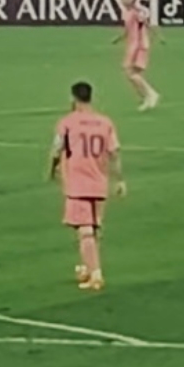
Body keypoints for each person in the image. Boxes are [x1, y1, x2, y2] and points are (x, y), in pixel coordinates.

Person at [48, 82, 126, 291]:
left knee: (84, 231)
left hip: (77, 183)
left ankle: (96, 274)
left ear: (73, 98)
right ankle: (86, 266)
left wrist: (52, 168)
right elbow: (114, 153)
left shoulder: (67, 122)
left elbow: (57, 149)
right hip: (99, 182)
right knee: (93, 228)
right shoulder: (105, 122)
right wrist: (119, 180)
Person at [115, 0, 160, 111]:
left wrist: (157, 36)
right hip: (131, 44)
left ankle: (151, 94)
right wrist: (120, 38)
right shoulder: (126, 11)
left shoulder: (136, 11)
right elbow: (128, 29)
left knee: (131, 73)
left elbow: (145, 24)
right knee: (132, 74)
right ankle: (147, 96)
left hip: (139, 45)